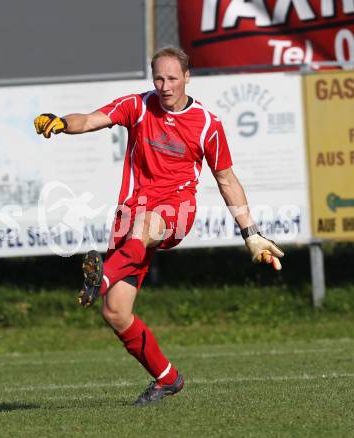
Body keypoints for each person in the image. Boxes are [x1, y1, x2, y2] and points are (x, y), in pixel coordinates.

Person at [34, 47, 284, 406]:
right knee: (115, 311)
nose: (165, 86)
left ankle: (100, 277)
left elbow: (227, 180)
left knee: (144, 224)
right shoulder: (138, 106)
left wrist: (251, 233)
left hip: (175, 212)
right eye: (158, 78)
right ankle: (168, 378)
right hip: (131, 214)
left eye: (172, 78)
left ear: (187, 77)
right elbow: (89, 120)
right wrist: (60, 122)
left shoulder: (207, 124)